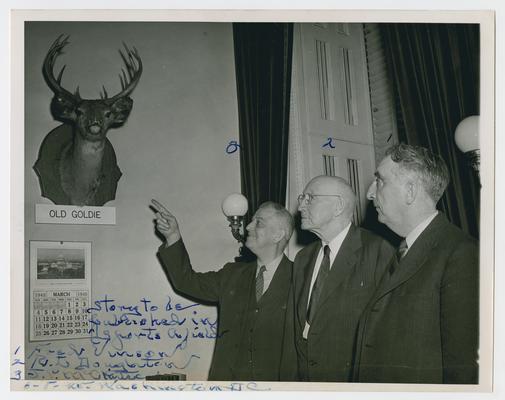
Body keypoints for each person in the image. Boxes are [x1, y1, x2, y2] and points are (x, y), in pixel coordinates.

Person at [353, 143, 479, 384]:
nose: (369, 193)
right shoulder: (400, 252)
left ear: (410, 191)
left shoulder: (461, 254)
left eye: (379, 181)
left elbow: (463, 374)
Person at [151, 199, 296, 381]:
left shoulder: (301, 279)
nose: (248, 226)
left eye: (258, 222)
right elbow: (186, 281)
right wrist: (173, 236)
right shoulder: (232, 274)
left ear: (278, 235)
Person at [290, 175, 394, 382]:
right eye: (302, 198)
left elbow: (388, 331)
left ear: (338, 207)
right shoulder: (303, 257)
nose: (300, 205)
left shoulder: (378, 250)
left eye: (309, 198)